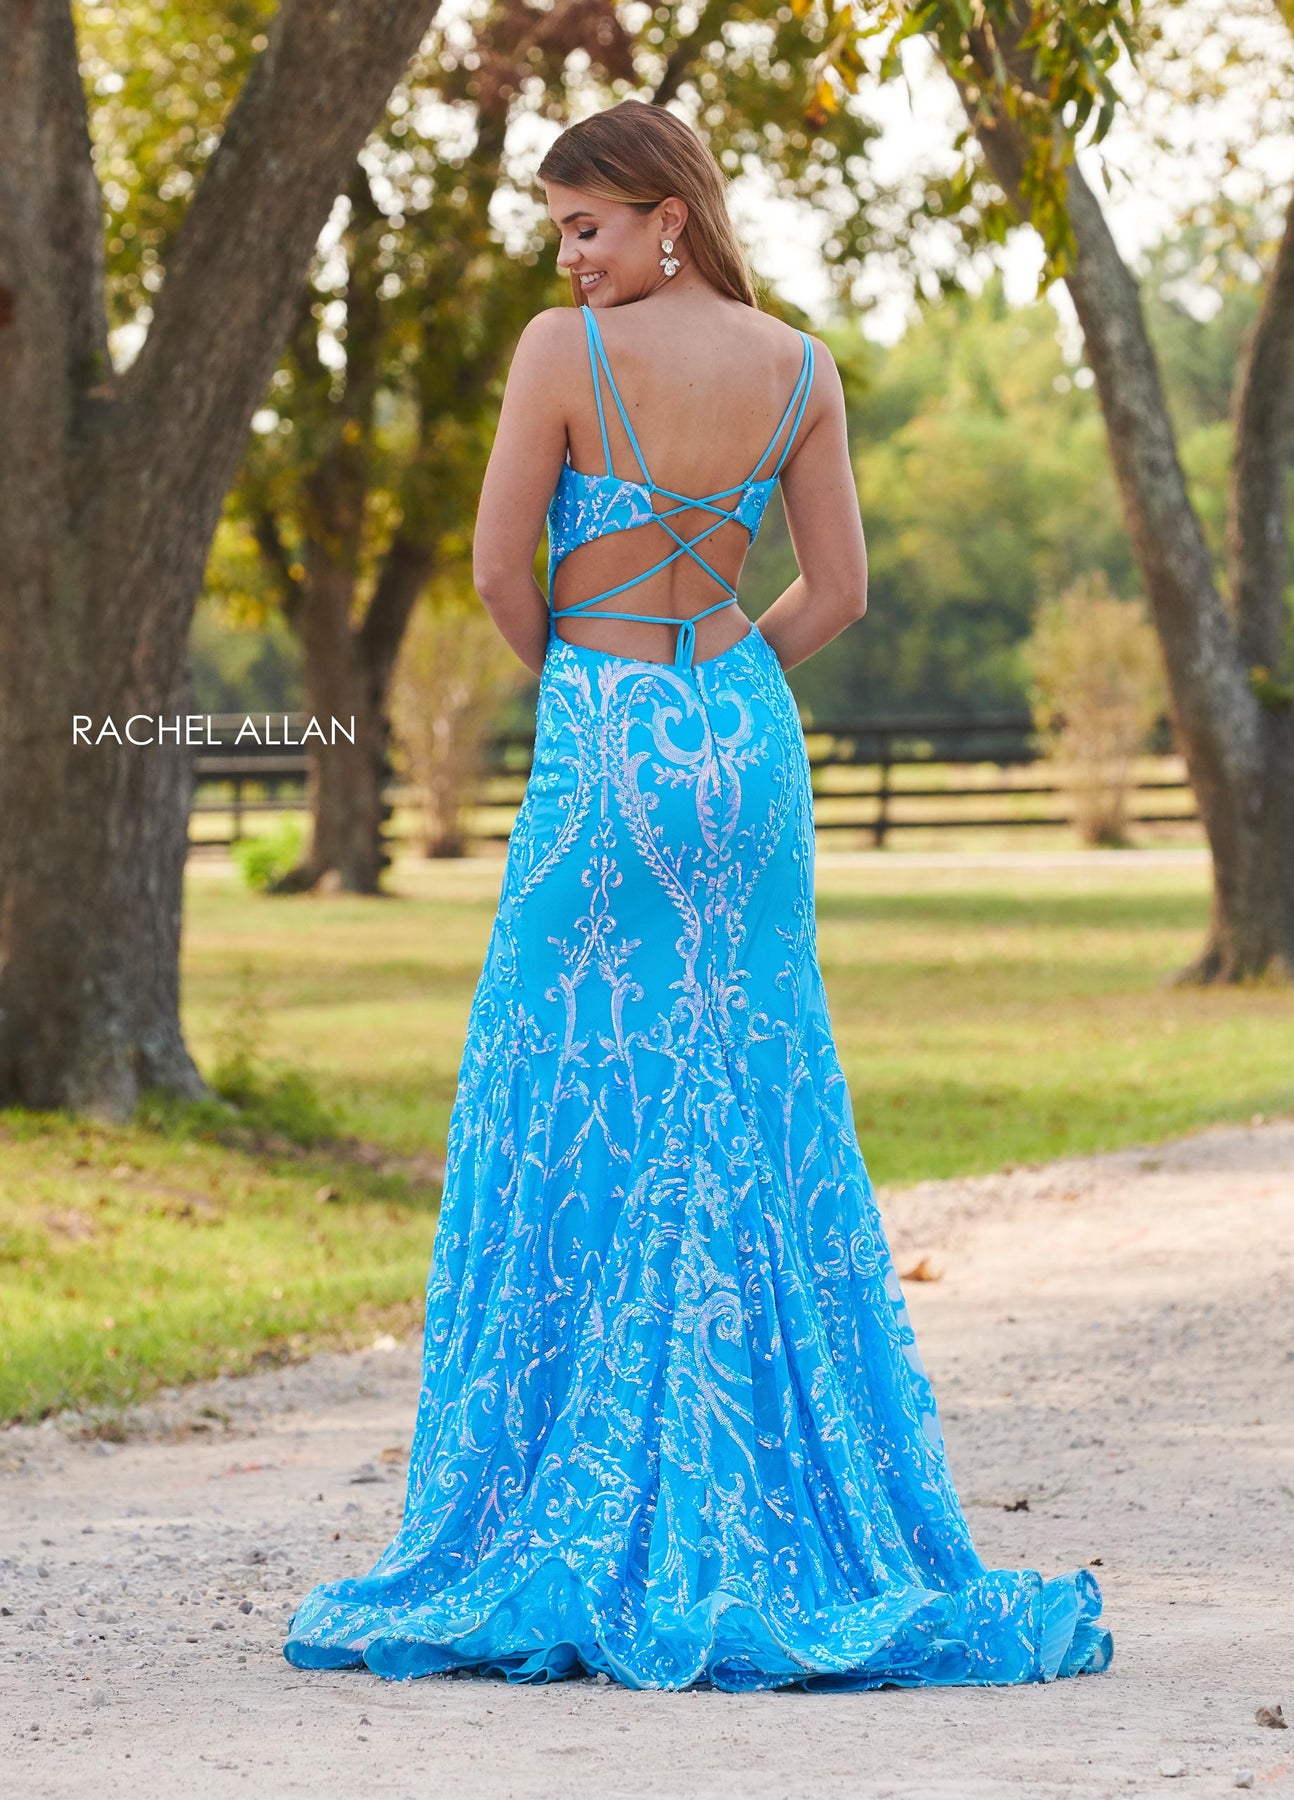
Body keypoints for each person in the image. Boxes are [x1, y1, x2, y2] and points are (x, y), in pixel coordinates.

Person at [283, 98, 1113, 1692]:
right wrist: (719, 684)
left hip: (605, 733)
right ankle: (765, 1487)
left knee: (555, 1084)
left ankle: (557, 1488)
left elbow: (497, 568)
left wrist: (598, 691)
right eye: (558, 234)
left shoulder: (559, 355)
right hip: (743, 739)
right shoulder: (800, 367)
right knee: (749, 1088)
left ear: (668, 215)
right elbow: (838, 592)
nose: (567, 259)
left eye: (585, 227)